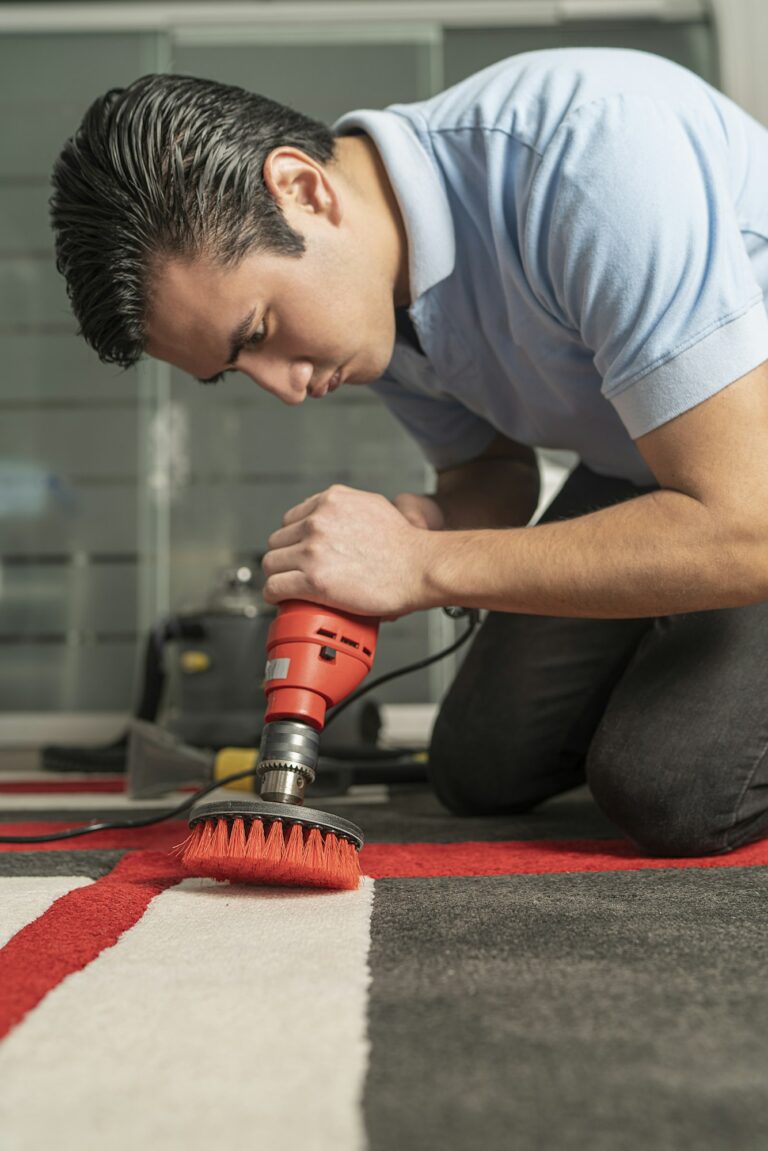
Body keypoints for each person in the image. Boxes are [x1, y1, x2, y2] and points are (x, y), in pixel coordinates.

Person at [50, 48, 768, 858]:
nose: (284, 388)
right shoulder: (373, 298)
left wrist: (421, 567)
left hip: (748, 485)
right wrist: (411, 529)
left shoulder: (588, 162)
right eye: (235, 370)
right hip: (656, 469)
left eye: (257, 332)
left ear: (304, 190)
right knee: (479, 768)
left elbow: (744, 527)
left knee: (676, 783)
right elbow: (492, 473)